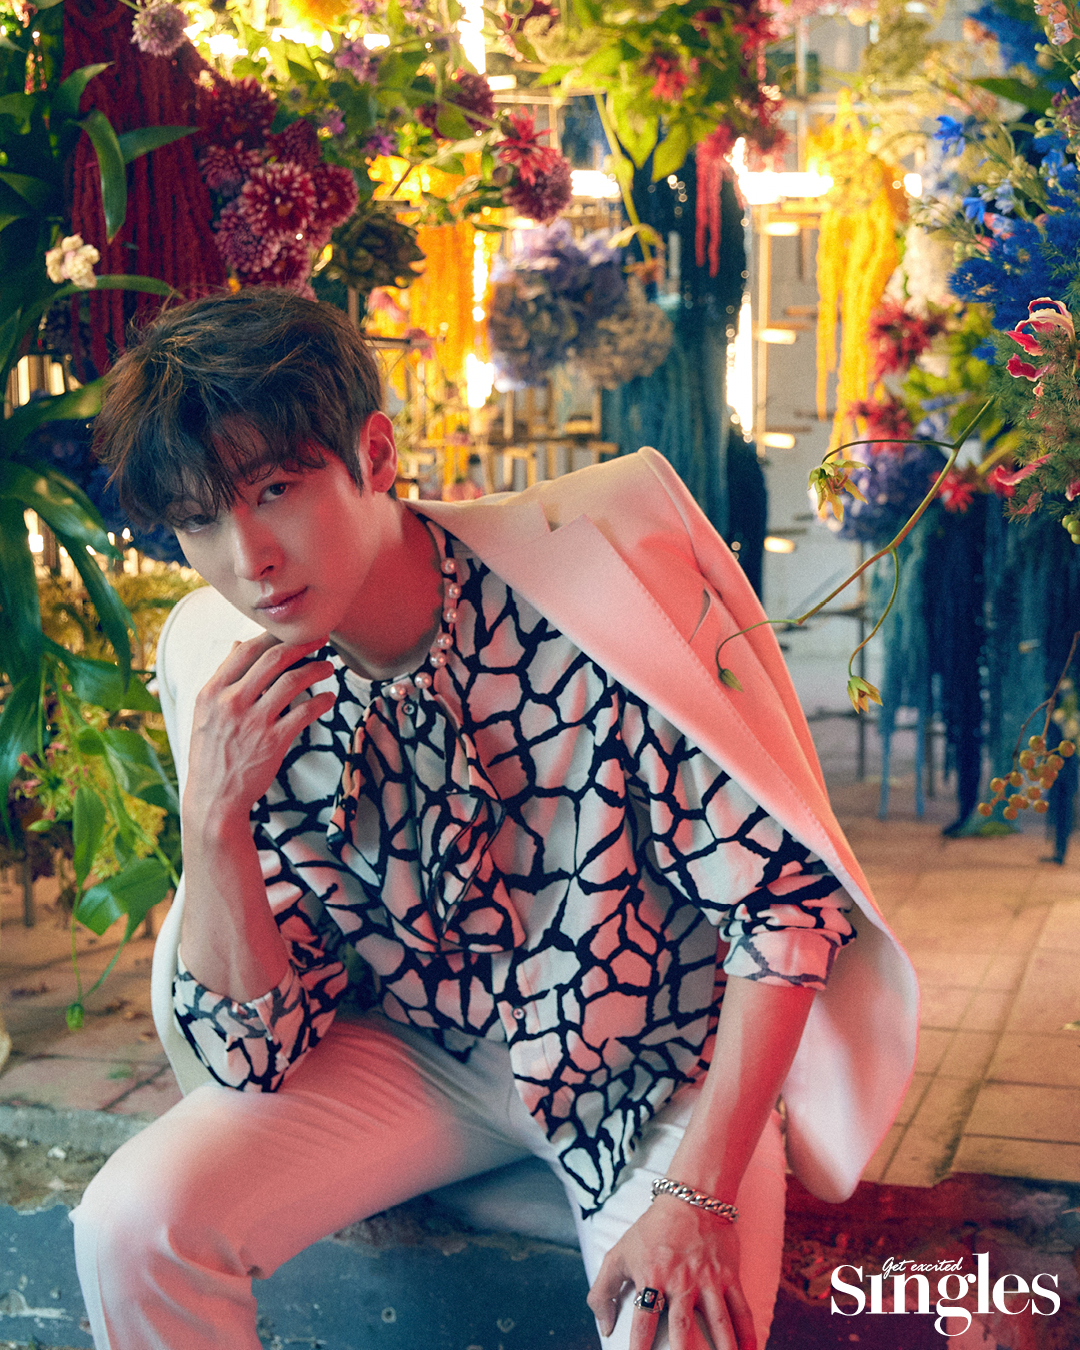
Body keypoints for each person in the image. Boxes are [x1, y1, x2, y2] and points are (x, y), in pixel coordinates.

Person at [72, 288, 918, 1350]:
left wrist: (699, 1195)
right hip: (423, 1057)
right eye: (200, 520)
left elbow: (780, 911)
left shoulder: (586, 604)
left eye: (276, 491)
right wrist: (212, 823)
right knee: (131, 1225)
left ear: (375, 454)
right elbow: (253, 1057)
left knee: (681, 1322)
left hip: (652, 1069)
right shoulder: (248, 689)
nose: (249, 559)